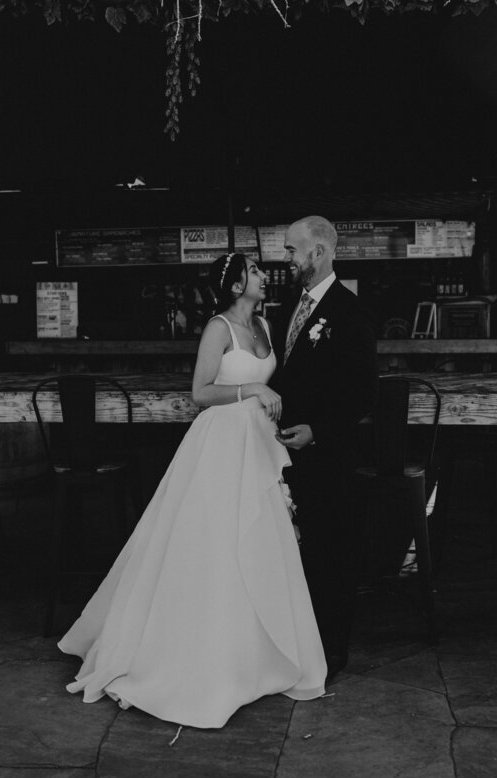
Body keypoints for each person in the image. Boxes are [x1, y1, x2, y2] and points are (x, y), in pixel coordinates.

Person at [58, 252, 326, 729]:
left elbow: (274, 381)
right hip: (221, 445)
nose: (266, 277)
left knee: (262, 542)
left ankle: (257, 655)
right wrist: (250, 392)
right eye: (258, 272)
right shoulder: (217, 328)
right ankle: (202, 659)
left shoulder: (265, 326)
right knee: (216, 545)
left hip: (260, 445)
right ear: (238, 281)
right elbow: (200, 392)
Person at [271, 215, 378, 682]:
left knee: (331, 551)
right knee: (291, 551)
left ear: (317, 253)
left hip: (328, 454)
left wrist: (318, 429)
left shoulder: (351, 312)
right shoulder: (284, 309)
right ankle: (292, 642)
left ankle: (330, 651)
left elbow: (362, 394)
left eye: (293, 250)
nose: (287, 258)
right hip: (282, 454)